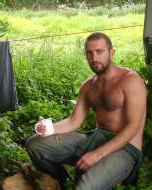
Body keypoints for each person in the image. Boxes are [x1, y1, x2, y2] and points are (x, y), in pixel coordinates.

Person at [26, 32, 147, 190]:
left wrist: (98, 154)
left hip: (126, 148)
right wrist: (49, 128)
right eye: (89, 53)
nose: (94, 58)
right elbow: (73, 121)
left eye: (99, 51)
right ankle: (61, 182)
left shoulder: (131, 80)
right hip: (96, 138)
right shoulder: (88, 86)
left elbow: (133, 127)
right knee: (34, 144)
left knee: (85, 187)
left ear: (111, 52)